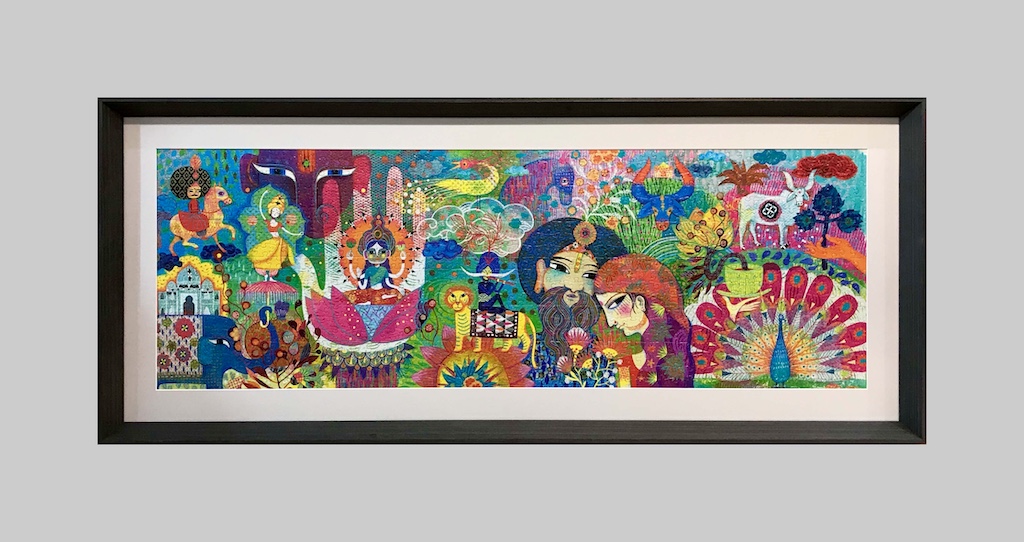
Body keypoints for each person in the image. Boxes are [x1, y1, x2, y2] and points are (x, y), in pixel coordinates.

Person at [516, 218, 628, 381]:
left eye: (589, 276)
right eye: (561, 269)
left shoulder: (607, 352)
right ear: (541, 272)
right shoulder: (529, 349)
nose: (575, 286)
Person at [594, 254, 696, 388]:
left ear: (640, 302)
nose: (610, 321)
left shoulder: (674, 350)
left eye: (614, 305)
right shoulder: (625, 360)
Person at [345, 217, 406, 305]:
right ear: (365, 255)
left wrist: (403, 260)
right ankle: (367, 302)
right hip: (370, 293)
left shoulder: (384, 270)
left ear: (388, 254)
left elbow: (396, 276)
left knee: (398, 297)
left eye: (382, 252)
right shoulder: (368, 271)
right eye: (371, 252)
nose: (377, 256)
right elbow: (362, 286)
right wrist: (351, 262)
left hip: (383, 292)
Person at [246, 194, 299, 281]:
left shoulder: (279, 224)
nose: (275, 213)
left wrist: (296, 233)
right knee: (266, 255)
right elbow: (261, 214)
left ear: (279, 213)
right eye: (274, 211)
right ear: (270, 211)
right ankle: (264, 275)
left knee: (276, 258)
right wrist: (262, 197)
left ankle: (271, 276)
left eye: (277, 212)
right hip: (272, 242)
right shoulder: (267, 222)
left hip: (279, 241)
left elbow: (286, 230)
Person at [168, 155, 212, 235]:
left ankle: (202, 231)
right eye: (191, 191)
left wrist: (200, 211)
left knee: (204, 217)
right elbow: (190, 208)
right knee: (198, 220)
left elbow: (198, 208)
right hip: (192, 215)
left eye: (198, 191)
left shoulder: (196, 201)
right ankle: (198, 231)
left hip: (197, 213)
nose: (195, 193)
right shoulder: (190, 201)